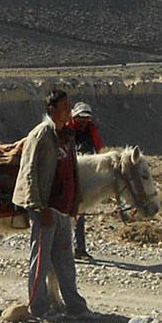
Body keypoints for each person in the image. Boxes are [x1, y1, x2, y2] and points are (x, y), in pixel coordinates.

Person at [11, 89, 91, 320]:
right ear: (51, 110)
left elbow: (71, 168)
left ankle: (75, 306)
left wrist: (75, 200)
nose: (68, 111)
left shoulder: (66, 134)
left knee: (65, 260)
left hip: (63, 208)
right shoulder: (42, 134)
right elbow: (30, 171)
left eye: (69, 106)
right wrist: (39, 206)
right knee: (41, 261)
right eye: (64, 107)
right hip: (46, 207)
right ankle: (38, 308)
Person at [64, 101, 105, 260]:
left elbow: (99, 148)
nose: (84, 121)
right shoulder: (67, 129)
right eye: (81, 117)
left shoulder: (91, 129)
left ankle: (79, 249)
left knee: (79, 212)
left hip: (84, 174)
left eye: (86, 118)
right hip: (67, 172)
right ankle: (66, 248)